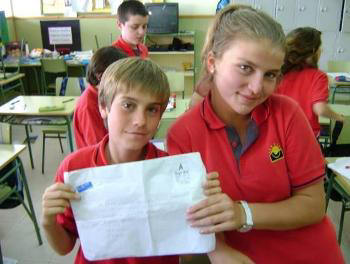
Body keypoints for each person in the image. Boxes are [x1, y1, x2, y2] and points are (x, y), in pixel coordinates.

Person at [166, 5, 344, 264]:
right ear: (212, 62)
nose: (257, 88)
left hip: (313, 253)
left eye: (270, 74)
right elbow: (195, 218)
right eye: (245, 68)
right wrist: (219, 250)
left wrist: (243, 214)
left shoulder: (287, 115)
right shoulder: (183, 136)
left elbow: (314, 204)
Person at [42, 57, 220, 264]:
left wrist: (203, 210)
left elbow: (186, 252)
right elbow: (64, 247)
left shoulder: (172, 172)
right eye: (128, 105)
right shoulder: (75, 167)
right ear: (103, 107)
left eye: (152, 109)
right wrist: (48, 221)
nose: (140, 121)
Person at [277, 27, 344, 138]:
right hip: (305, 134)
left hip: (278, 132)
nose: (322, 50)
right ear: (314, 51)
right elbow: (320, 109)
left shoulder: (277, 73)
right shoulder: (318, 76)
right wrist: (338, 117)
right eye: (320, 47)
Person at [73, 46, 127, 149]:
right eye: (120, 76)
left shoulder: (105, 94)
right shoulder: (88, 105)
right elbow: (98, 147)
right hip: (99, 162)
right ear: (101, 76)